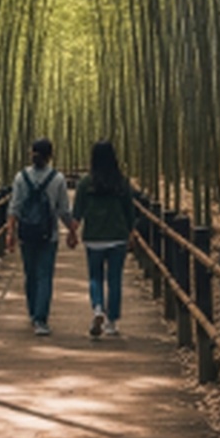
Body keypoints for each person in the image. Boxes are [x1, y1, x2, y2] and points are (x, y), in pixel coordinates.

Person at [6, 137, 77, 335]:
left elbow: (15, 207)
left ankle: (33, 312)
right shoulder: (57, 178)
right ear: (50, 155)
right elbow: (63, 210)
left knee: (30, 274)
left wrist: (10, 232)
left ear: (32, 153)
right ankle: (40, 319)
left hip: (26, 234)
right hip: (49, 235)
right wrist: (72, 230)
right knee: (44, 275)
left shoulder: (21, 177)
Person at [72, 140, 135, 337]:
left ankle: (98, 308)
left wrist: (73, 233)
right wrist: (131, 232)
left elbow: (77, 213)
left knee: (95, 276)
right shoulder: (121, 182)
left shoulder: (85, 183)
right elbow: (130, 212)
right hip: (117, 237)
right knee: (115, 279)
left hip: (94, 237)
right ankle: (112, 323)